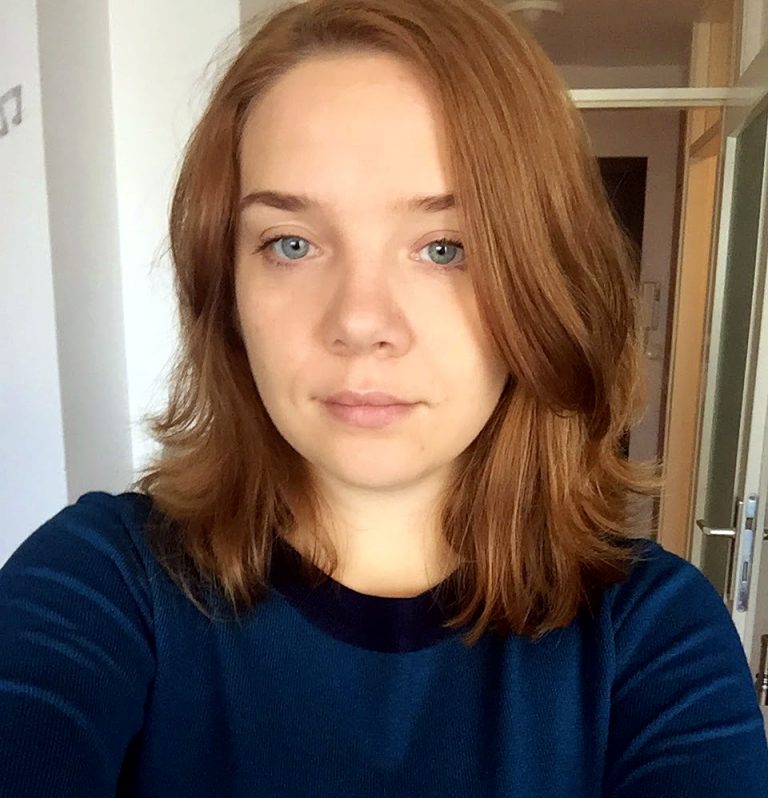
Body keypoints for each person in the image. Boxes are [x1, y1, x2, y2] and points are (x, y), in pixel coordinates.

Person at [1, 0, 767, 794]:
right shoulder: (103, 583)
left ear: (542, 285)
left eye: (446, 248)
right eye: (291, 243)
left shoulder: (653, 639)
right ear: (225, 288)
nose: (360, 322)